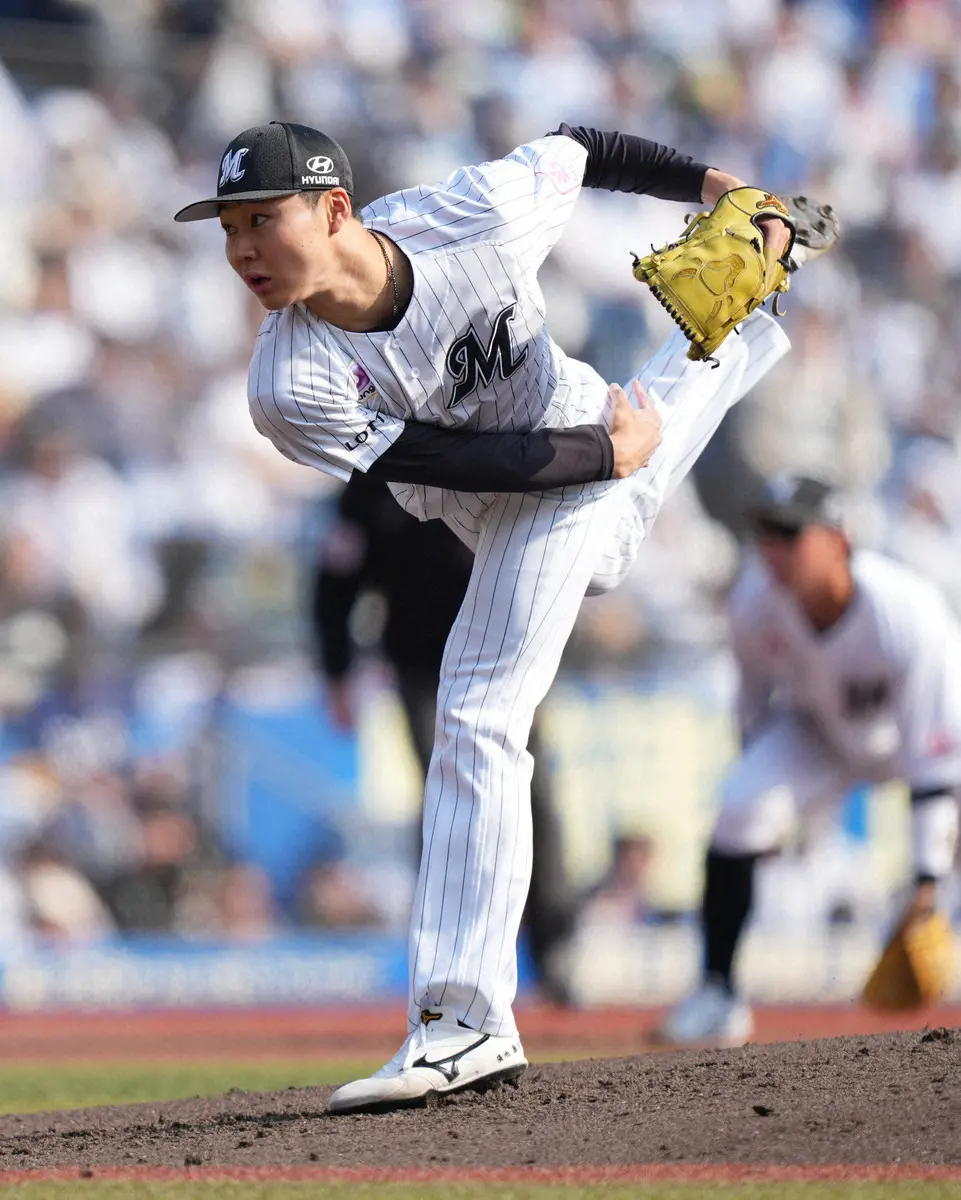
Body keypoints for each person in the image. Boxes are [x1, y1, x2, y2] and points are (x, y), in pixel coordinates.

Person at [173, 119, 833, 1113]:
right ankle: (740, 313)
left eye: (262, 219)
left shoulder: (474, 214)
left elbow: (580, 146)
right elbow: (439, 460)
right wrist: (609, 454)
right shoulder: (287, 383)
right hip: (533, 481)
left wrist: (714, 185)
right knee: (612, 532)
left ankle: (463, 1019)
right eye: (229, 230)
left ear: (335, 208)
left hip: (566, 452)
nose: (242, 250)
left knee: (477, 708)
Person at [655, 475, 961, 1048]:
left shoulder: (906, 610)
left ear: (839, 541)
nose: (774, 549)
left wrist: (926, 881)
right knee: (739, 808)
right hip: (820, 733)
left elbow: (935, 759)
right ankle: (717, 993)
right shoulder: (754, 602)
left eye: (790, 533)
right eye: (766, 533)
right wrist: (772, 812)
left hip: (916, 737)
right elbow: (752, 710)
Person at [311, 470, 578, 1001]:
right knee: (447, 797)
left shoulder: (486, 453)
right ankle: (444, 957)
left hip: (503, 658)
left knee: (529, 795)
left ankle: (555, 950)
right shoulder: (373, 478)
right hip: (421, 666)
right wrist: (337, 670)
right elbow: (336, 579)